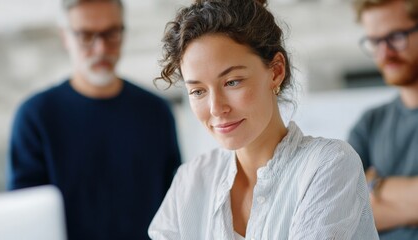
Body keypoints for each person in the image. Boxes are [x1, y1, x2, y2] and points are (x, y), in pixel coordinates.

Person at [148, 0, 379, 239]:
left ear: (276, 71)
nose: (216, 108)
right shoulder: (190, 181)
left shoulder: (328, 165)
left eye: (232, 82)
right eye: (198, 91)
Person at [7, 0, 181, 239]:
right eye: (86, 36)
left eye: (111, 34)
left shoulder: (156, 112)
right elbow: (24, 218)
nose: (101, 48)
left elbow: (174, 206)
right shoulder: (35, 117)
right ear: (65, 37)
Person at [348, 0, 418, 239]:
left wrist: (377, 187)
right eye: (375, 41)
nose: (385, 53)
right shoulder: (368, 125)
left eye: (396, 36)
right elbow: (344, 213)